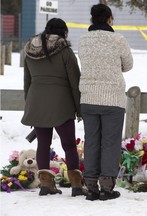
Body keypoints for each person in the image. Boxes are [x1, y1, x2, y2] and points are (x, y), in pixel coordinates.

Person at [21, 18, 87, 197]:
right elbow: (75, 82)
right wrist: (78, 108)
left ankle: (46, 184)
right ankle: (76, 185)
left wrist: (30, 105)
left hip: (37, 101)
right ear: (64, 32)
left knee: (43, 143)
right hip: (61, 103)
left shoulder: (30, 50)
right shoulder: (65, 51)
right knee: (69, 145)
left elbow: (27, 81)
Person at [78, 3, 133, 201]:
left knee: (91, 141)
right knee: (110, 143)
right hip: (112, 99)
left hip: (89, 97)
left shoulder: (83, 40)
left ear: (92, 19)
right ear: (110, 19)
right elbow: (128, 65)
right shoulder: (118, 39)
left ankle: (91, 186)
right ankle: (107, 188)